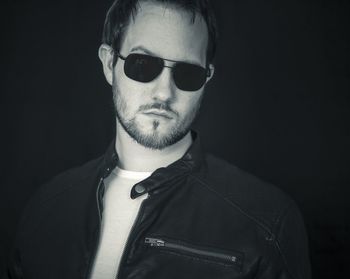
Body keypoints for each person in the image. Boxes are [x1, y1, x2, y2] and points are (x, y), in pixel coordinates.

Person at [4, 0, 311, 278]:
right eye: (142, 65)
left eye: (187, 73)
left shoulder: (268, 222)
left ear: (207, 77)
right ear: (109, 63)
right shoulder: (46, 208)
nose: (164, 93)